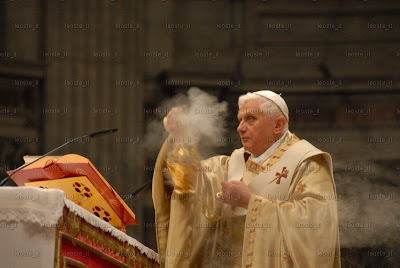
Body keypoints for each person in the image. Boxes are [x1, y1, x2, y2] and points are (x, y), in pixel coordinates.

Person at [152, 90, 340, 267]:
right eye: (240, 119)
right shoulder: (231, 164)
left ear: (278, 125)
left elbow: (317, 228)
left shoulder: (306, 164)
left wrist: (251, 203)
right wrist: (179, 139)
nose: (240, 128)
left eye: (250, 119)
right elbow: (190, 185)